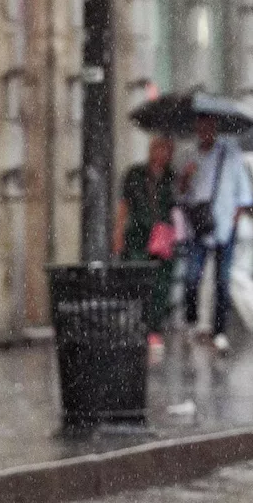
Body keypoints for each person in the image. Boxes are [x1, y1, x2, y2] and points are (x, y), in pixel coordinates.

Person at [177, 114, 253, 356]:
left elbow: (244, 196)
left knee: (222, 281)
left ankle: (219, 332)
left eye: (209, 127)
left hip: (224, 227)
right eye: (201, 127)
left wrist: (233, 221)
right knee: (192, 278)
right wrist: (186, 177)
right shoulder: (189, 155)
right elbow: (180, 195)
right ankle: (192, 323)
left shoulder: (231, 155)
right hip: (198, 227)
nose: (205, 131)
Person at [114, 135, 177, 350]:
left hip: (163, 237)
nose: (163, 154)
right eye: (160, 148)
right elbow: (124, 205)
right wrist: (118, 234)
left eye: (168, 151)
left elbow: (178, 203)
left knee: (160, 285)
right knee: (137, 280)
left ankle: (154, 329)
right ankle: (139, 324)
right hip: (138, 236)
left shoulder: (171, 177)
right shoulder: (135, 175)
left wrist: (185, 180)